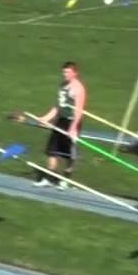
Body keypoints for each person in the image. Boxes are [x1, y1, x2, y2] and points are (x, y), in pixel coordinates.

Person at [34, 62, 86, 190]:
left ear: (75, 73)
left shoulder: (78, 89)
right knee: (52, 150)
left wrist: (73, 128)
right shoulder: (62, 86)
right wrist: (45, 118)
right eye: (64, 72)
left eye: (68, 72)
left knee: (69, 154)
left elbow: (79, 111)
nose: (65, 75)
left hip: (72, 122)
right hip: (60, 121)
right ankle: (49, 178)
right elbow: (58, 107)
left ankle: (66, 179)